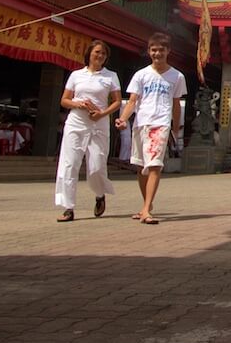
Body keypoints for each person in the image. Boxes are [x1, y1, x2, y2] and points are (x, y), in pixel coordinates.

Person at [115, 32, 186, 225]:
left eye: (161, 50)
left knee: (154, 165)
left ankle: (146, 209)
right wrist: (122, 119)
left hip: (160, 124)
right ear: (149, 51)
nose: (157, 54)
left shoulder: (177, 76)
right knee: (141, 166)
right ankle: (147, 204)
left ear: (168, 51)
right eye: (154, 50)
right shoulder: (141, 75)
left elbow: (176, 104)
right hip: (140, 123)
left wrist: (176, 127)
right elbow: (132, 101)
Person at [54, 40, 122, 222]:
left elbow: (116, 101)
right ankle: (68, 207)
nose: (99, 56)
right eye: (97, 52)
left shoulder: (111, 76)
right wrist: (79, 104)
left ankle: (100, 194)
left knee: (96, 166)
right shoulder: (76, 75)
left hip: (99, 124)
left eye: (103, 54)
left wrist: (102, 113)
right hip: (76, 123)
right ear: (89, 53)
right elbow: (65, 100)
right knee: (69, 164)